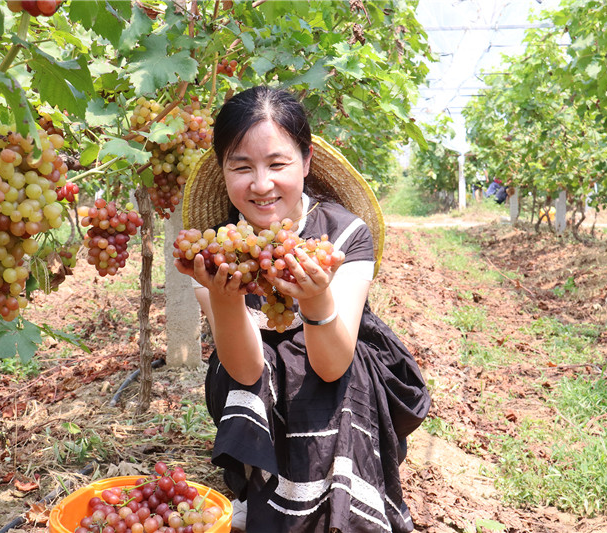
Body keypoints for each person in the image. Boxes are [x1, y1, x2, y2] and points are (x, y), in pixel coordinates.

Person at [175, 86, 431, 533]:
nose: (261, 184)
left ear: (306, 161)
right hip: (253, 369)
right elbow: (246, 367)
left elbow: (331, 364)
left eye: (277, 164)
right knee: (272, 368)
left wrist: (315, 297)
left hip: (338, 353)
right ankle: (267, 490)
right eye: (241, 167)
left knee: (331, 378)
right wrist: (223, 296)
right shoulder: (216, 250)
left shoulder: (344, 234)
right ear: (223, 170)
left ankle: (341, 499)